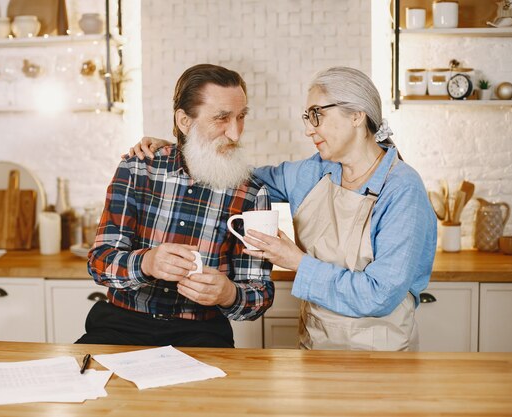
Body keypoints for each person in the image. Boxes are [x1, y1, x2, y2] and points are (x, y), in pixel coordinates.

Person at [129, 66, 437, 351]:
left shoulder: (402, 189)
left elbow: (379, 295)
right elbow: (237, 178)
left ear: (357, 115)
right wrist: (185, 148)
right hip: (315, 347)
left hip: (382, 354)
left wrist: (296, 261)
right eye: (308, 116)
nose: (309, 129)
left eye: (317, 115)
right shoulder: (314, 172)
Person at [76, 64, 274, 348]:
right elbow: (99, 263)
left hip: (203, 334)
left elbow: (260, 296)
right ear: (184, 121)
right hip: (120, 326)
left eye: (241, 117)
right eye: (222, 118)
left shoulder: (252, 193)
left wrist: (230, 294)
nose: (235, 133)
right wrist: (147, 262)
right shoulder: (137, 169)